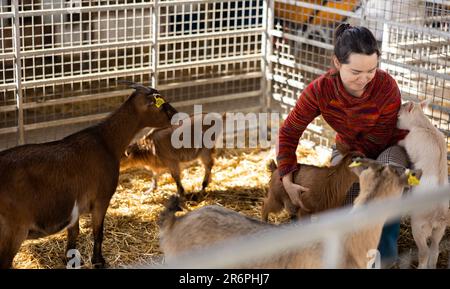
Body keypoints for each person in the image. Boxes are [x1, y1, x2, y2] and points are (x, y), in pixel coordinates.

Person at [276, 23, 409, 268]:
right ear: (337, 63)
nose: (366, 78)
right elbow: (289, 131)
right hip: (349, 150)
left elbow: (377, 142)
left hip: (387, 149)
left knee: (384, 183)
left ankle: (385, 253)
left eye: (372, 69)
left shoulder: (386, 87)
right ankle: (342, 253)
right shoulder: (320, 90)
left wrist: (353, 175)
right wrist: (286, 176)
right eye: (356, 71)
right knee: (340, 198)